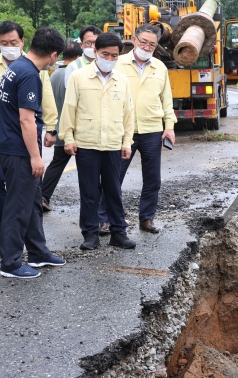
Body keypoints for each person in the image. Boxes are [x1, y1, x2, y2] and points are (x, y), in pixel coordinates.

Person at [0, 21, 58, 247]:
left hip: (27, 133)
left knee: (32, 187)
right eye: (4, 43)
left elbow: (46, 98)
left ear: (22, 41)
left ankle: (33, 242)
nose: (9, 46)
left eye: (13, 42)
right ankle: (5, 227)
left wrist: (51, 128)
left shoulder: (34, 67)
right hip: (0, 132)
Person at [0, 27, 66, 278]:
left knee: (33, 202)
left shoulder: (16, 67)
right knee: (18, 206)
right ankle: (11, 263)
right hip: (18, 152)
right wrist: (36, 157)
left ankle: (38, 253)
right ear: (53, 55)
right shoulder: (28, 74)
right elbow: (26, 121)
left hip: (13, 146)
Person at [60, 33, 136, 250]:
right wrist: (69, 138)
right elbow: (69, 109)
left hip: (113, 144)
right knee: (89, 191)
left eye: (114, 56)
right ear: (95, 52)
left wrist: (126, 142)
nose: (110, 59)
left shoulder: (121, 80)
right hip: (86, 144)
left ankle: (118, 233)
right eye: (105, 54)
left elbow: (128, 113)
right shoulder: (78, 77)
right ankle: (90, 234)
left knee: (114, 190)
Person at [115, 24, 177, 234]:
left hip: (152, 130)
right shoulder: (118, 64)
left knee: (153, 179)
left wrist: (169, 127)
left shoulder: (160, 67)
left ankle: (147, 219)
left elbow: (166, 101)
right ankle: (106, 219)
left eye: (152, 44)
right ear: (134, 40)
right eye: (143, 42)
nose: (147, 46)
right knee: (114, 177)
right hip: (125, 131)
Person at [41, 41, 82, 212]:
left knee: (56, 164)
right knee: (87, 168)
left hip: (57, 129)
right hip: (74, 129)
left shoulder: (53, 75)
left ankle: (43, 195)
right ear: (79, 57)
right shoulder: (75, 75)